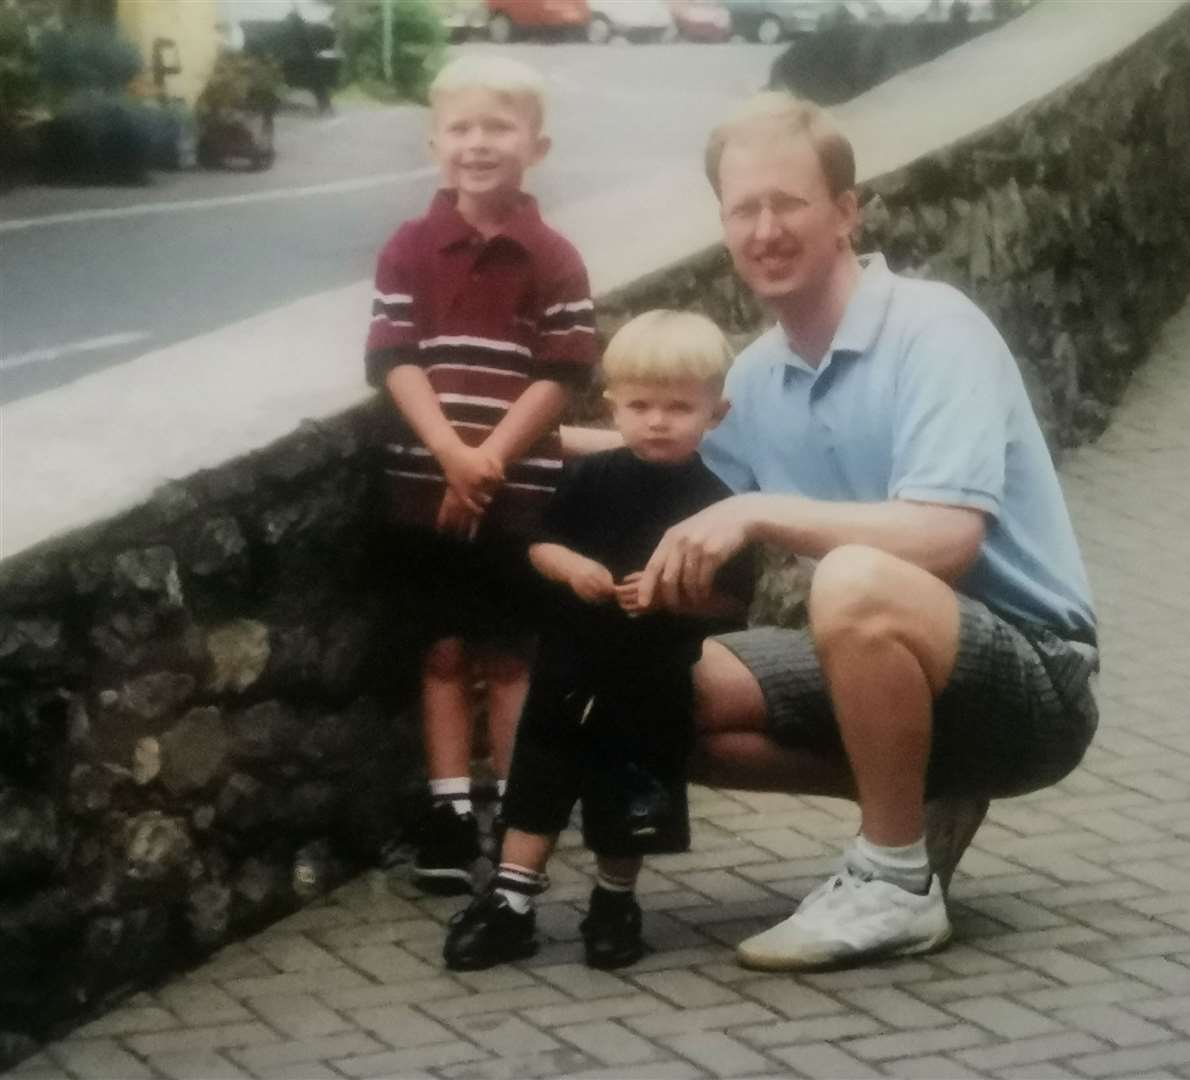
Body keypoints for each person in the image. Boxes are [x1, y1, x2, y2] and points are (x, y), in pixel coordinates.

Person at [576, 92, 1100, 972]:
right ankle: (925, 791)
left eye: (789, 202)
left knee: (851, 578)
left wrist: (757, 509)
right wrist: (499, 450)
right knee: (649, 681)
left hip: (1035, 677)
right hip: (889, 667)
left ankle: (894, 883)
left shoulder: (934, 329)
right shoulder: (759, 374)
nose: (766, 228)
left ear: (847, 212)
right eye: (744, 208)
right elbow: (654, 458)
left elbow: (946, 540)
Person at [443, 311, 755, 972]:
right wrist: (572, 568)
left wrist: (675, 594)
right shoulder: (589, 478)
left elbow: (733, 599)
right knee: (537, 784)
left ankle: (615, 903)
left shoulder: (718, 503)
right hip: (569, 668)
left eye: (678, 406)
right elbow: (538, 545)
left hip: (653, 679)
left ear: (716, 413)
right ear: (613, 406)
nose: (657, 420)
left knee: (629, 797)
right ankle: (511, 904)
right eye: (640, 405)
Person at [364, 56, 597, 894]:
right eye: (460, 128)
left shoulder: (554, 258)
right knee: (441, 651)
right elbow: (394, 360)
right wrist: (451, 457)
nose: (478, 144)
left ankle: (514, 814)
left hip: (516, 495)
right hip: (423, 491)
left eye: (498, 127)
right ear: (435, 144)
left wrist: (490, 459)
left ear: (536, 144)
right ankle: (450, 809)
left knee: (509, 655)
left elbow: (561, 374)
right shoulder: (409, 248)